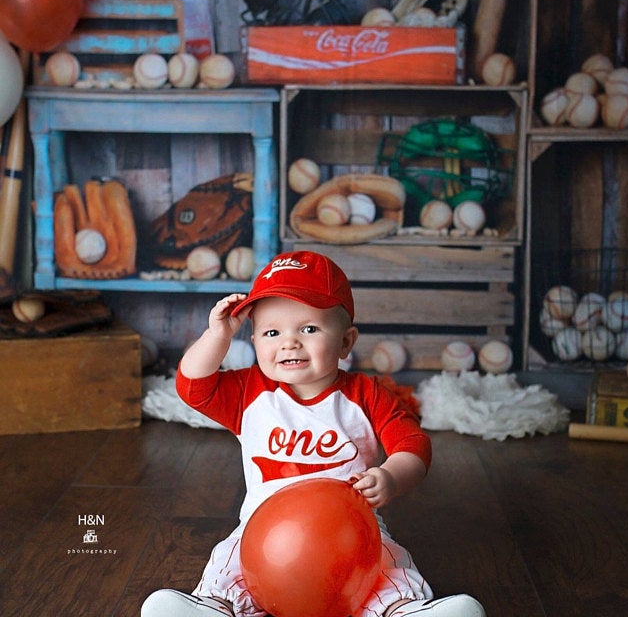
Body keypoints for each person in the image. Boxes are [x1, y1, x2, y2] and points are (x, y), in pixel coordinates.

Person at [141, 250, 485, 617]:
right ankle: (215, 607)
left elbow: (412, 444)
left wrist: (391, 476)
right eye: (272, 332)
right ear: (254, 342)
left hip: (351, 533)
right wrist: (218, 335)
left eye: (309, 329)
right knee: (231, 563)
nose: (289, 342)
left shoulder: (366, 395)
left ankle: (405, 610)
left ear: (345, 342)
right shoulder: (249, 392)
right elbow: (192, 387)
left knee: (387, 568)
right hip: (265, 532)